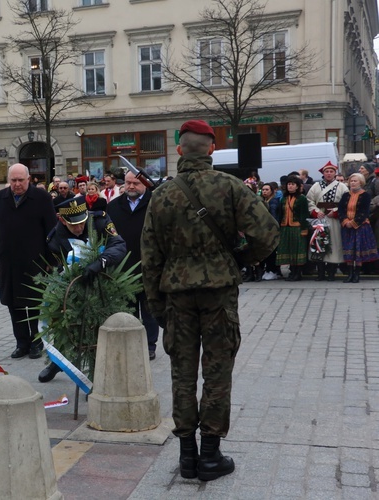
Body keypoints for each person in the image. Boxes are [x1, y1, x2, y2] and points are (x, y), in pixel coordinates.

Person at [141, 120, 278, 482]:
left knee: (182, 373)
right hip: (218, 293)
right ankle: (211, 455)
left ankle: (187, 456)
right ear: (212, 149)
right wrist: (240, 260)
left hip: (176, 297)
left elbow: (150, 257)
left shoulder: (162, 196)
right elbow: (267, 234)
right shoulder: (230, 187)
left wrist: (156, 308)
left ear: (180, 150)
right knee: (217, 372)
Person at [38, 196, 127, 383]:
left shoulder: (100, 221)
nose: (79, 228)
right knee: (67, 325)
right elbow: (60, 267)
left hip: (104, 283)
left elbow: (118, 245)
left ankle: (96, 378)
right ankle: (60, 362)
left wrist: (100, 262)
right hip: (76, 286)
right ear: (62, 219)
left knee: (98, 332)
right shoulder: (54, 239)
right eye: (74, 225)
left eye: (82, 222)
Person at [0, 163, 57, 359]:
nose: (17, 184)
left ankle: (36, 342)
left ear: (29, 179)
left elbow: (52, 229)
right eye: (13, 180)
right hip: (8, 261)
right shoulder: (0, 198)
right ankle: (21, 342)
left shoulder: (42, 198)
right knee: (13, 304)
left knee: (33, 303)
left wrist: (51, 258)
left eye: (20, 180)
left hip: (35, 261)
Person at [107, 171, 159, 360]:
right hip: (123, 268)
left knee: (149, 311)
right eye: (128, 183)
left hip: (149, 267)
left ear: (144, 183)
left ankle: (149, 345)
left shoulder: (155, 203)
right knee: (127, 310)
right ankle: (129, 344)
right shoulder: (114, 206)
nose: (130, 187)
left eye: (135, 183)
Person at [306, 162, 349, 281]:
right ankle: (320, 273)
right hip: (320, 220)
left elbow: (346, 202)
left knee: (334, 245)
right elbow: (309, 201)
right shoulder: (315, 186)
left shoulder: (342, 187)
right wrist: (315, 212)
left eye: (331, 172)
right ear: (323, 173)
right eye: (327, 172)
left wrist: (336, 211)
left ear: (335, 173)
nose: (329, 174)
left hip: (334, 220)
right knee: (319, 244)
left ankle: (331, 273)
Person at [338, 173, 379, 282]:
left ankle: (357, 274)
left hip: (360, 226)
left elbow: (364, 212)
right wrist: (345, 221)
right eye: (351, 181)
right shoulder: (345, 195)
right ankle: (350, 273)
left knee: (358, 250)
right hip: (347, 226)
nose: (353, 183)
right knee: (349, 250)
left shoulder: (365, 195)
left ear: (361, 182)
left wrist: (354, 223)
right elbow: (341, 209)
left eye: (355, 181)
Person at [275, 176, 309, 281]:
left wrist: (304, 229)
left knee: (297, 249)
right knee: (289, 249)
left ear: (297, 186)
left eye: (293, 184)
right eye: (289, 184)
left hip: (297, 228)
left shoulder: (302, 198)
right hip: (285, 227)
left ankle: (298, 273)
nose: (290, 186)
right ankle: (291, 271)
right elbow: (280, 213)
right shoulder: (283, 198)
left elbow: (304, 214)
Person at [259, 182, 281, 281]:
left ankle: (273, 271)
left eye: (267, 189)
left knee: (272, 252)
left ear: (272, 191)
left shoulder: (273, 201)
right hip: (264, 229)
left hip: (271, 229)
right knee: (267, 252)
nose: (264, 191)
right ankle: (268, 270)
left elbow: (273, 216)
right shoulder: (264, 200)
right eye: (263, 189)